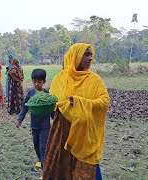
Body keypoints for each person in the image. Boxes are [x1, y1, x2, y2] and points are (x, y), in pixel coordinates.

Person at [43, 43, 110, 180]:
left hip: (85, 133)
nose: (90, 58)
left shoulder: (94, 80)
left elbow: (104, 102)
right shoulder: (60, 79)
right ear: (76, 56)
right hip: (63, 131)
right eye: (86, 54)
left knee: (88, 168)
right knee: (61, 166)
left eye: (91, 54)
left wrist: (80, 102)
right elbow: (54, 102)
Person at [16, 68, 53, 179]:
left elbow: (51, 109)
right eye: (34, 81)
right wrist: (20, 119)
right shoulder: (31, 93)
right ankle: (41, 161)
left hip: (45, 126)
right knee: (36, 145)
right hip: (34, 126)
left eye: (39, 82)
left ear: (44, 82)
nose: (37, 84)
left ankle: (44, 169)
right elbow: (25, 107)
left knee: (43, 147)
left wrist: (55, 119)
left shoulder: (47, 94)